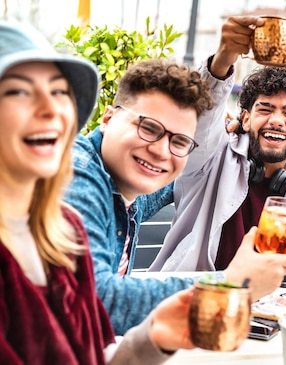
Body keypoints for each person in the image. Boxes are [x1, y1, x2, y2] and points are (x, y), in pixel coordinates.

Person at [64, 16, 286, 335]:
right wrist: (232, 283)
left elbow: (191, 164)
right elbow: (97, 303)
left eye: (178, 141)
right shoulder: (75, 173)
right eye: (148, 128)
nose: (162, 151)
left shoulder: (128, 188)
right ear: (107, 118)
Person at [0, 20, 196, 364]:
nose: (52, 109)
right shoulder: (82, 181)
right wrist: (234, 281)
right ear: (107, 120)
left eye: (60, 91)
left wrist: (151, 340)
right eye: (19, 91)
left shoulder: (61, 230)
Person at [149, 26, 286, 273]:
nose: (277, 120)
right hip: (189, 299)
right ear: (245, 119)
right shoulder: (211, 157)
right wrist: (223, 59)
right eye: (265, 109)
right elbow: (201, 119)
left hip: (265, 310)